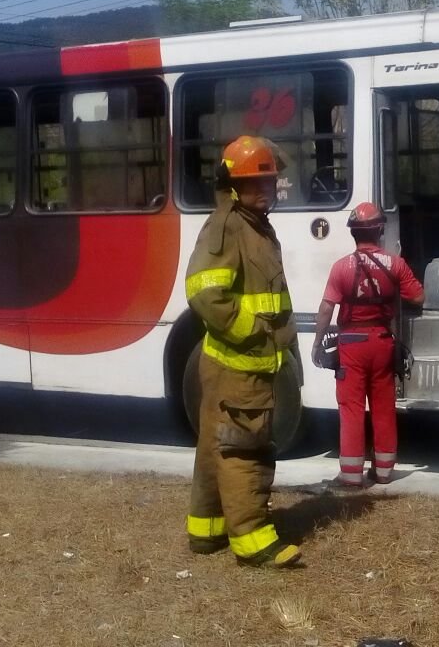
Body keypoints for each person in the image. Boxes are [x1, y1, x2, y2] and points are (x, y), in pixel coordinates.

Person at [183, 135, 301, 568]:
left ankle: (206, 530)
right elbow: (202, 291)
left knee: (217, 444)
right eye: (257, 183)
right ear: (233, 184)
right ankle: (252, 540)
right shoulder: (228, 226)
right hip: (238, 362)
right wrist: (252, 330)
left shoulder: (253, 225)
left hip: (244, 362)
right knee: (243, 446)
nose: (268, 190)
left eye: (271, 181)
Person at [313, 202, 424, 487]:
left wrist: (317, 343)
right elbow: (418, 297)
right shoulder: (396, 263)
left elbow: (327, 309)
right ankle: (384, 470)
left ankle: (351, 476)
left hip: (351, 344)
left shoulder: (341, 267)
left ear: (353, 234)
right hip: (383, 342)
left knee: (351, 408)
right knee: (384, 406)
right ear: (380, 231)